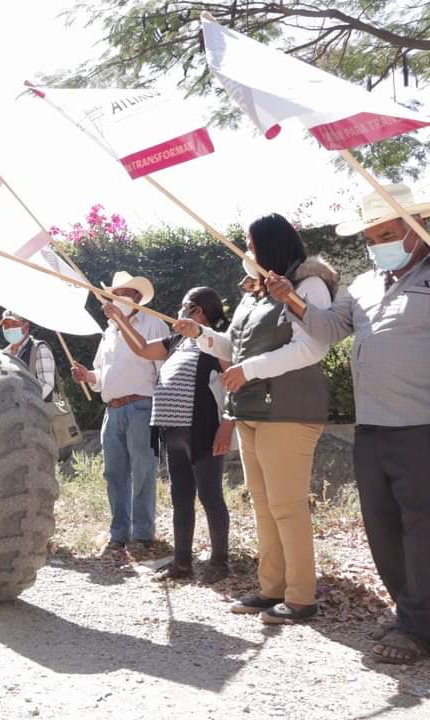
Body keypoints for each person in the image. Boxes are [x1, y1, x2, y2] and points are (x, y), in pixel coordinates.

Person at [265, 184, 430, 662]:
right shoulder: (362, 286)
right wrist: (292, 301)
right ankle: (412, 612)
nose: (376, 243)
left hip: (422, 428)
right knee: (382, 527)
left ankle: (417, 627)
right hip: (372, 430)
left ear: (417, 231)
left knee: (423, 528)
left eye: (387, 233)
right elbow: (327, 329)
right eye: (370, 236)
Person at [175, 214, 338, 624]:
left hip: (289, 411)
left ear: (269, 245)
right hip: (251, 410)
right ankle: (272, 589)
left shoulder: (307, 284)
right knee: (264, 505)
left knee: (286, 505)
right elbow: (236, 342)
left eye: (250, 244)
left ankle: (301, 598)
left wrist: (250, 370)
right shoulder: (256, 291)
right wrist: (200, 334)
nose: (246, 252)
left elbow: (313, 346)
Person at [105, 287, 234, 583]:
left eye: (185, 305)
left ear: (199, 310)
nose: (180, 310)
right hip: (173, 430)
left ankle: (219, 562)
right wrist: (119, 319)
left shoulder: (218, 341)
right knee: (181, 496)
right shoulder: (177, 340)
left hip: (204, 429)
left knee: (210, 495)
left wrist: (228, 421)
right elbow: (141, 348)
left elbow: (231, 380)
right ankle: (182, 562)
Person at [70, 271, 167, 551]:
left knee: (144, 470)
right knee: (114, 473)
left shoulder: (154, 324)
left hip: (142, 406)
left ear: (136, 297)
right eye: (115, 294)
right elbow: (101, 373)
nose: (118, 299)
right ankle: (119, 534)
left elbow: (164, 370)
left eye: (123, 294)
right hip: (112, 410)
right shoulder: (109, 332)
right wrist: (87, 376)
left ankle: (143, 534)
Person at [0, 310, 55, 400]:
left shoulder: (39, 348)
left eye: (14, 324)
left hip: (38, 411)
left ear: (26, 326)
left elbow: (46, 385)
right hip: (12, 412)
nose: (10, 329)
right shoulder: (2, 355)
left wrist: (22, 401)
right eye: (6, 326)